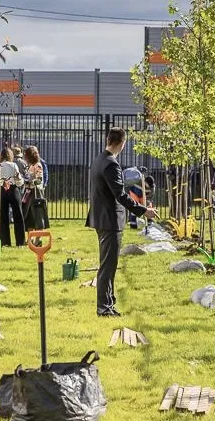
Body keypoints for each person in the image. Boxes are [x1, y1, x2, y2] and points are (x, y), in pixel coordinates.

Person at [86, 127, 158, 317]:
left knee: (108, 264)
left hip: (101, 218)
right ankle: (104, 307)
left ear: (107, 139)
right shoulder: (111, 164)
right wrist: (144, 210)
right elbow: (120, 195)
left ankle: (108, 301)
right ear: (122, 143)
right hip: (109, 220)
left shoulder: (99, 160)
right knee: (108, 266)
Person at [0, 148, 25, 247]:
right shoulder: (13, 165)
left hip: (2, 191)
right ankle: (20, 242)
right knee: (18, 215)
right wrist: (19, 183)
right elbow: (19, 180)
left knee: (3, 216)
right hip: (13, 189)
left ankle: (5, 242)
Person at [21, 145, 47, 231]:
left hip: (36, 193)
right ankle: (30, 238)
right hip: (29, 192)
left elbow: (39, 180)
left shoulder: (38, 165)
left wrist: (29, 183)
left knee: (37, 215)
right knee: (29, 216)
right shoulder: (31, 166)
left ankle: (38, 238)